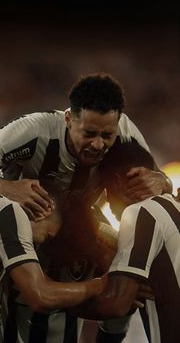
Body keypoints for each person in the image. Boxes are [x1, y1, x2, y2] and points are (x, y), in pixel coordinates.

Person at [0, 73, 172, 343]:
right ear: (68, 119)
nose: (98, 144)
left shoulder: (126, 133)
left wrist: (164, 181)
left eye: (106, 136)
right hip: (21, 230)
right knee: (8, 305)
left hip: (79, 228)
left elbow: (149, 187)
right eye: (88, 133)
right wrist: (2, 187)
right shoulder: (32, 131)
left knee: (129, 283)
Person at [0, 180, 108, 343]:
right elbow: (42, 296)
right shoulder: (10, 213)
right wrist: (100, 284)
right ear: (44, 211)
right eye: (47, 236)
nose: (37, 245)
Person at [75, 142, 180, 343]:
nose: (106, 202)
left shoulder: (140, 213)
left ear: (114, 182)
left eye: (104, 191)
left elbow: (116, 304)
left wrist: (56, 302)